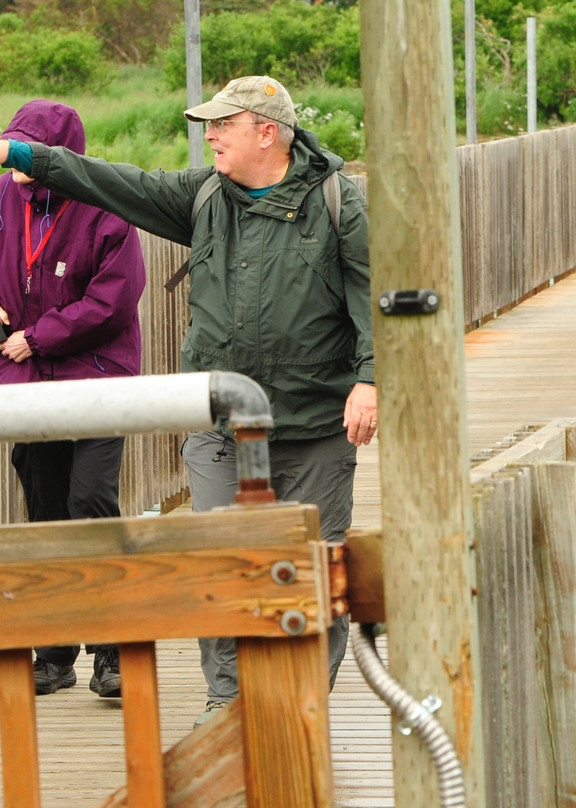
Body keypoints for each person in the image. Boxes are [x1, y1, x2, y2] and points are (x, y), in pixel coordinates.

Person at [0, 76, 378, 727]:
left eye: (220, 126)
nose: (208, 137)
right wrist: (25, 156)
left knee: (311, 570)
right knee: (219, 567)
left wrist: (369, 381)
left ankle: (298, 711)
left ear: (266, 131)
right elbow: (110, 181)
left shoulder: (337, 201)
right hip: (219, 427)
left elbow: (369, 294)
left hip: (314, 424)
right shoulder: (204, 196)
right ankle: (227, 709)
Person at [0, 100, 147, 698]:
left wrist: (37, 336)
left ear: (61, 158)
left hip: (93, 378)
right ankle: (55, 653)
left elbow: (114, 300)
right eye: (11, 148)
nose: (13, 162)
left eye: (26, 151)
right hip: (28, 383)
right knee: (45, 508)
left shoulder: (104, 203)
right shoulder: (6, 198)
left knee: (90, 501)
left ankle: (111, 652)